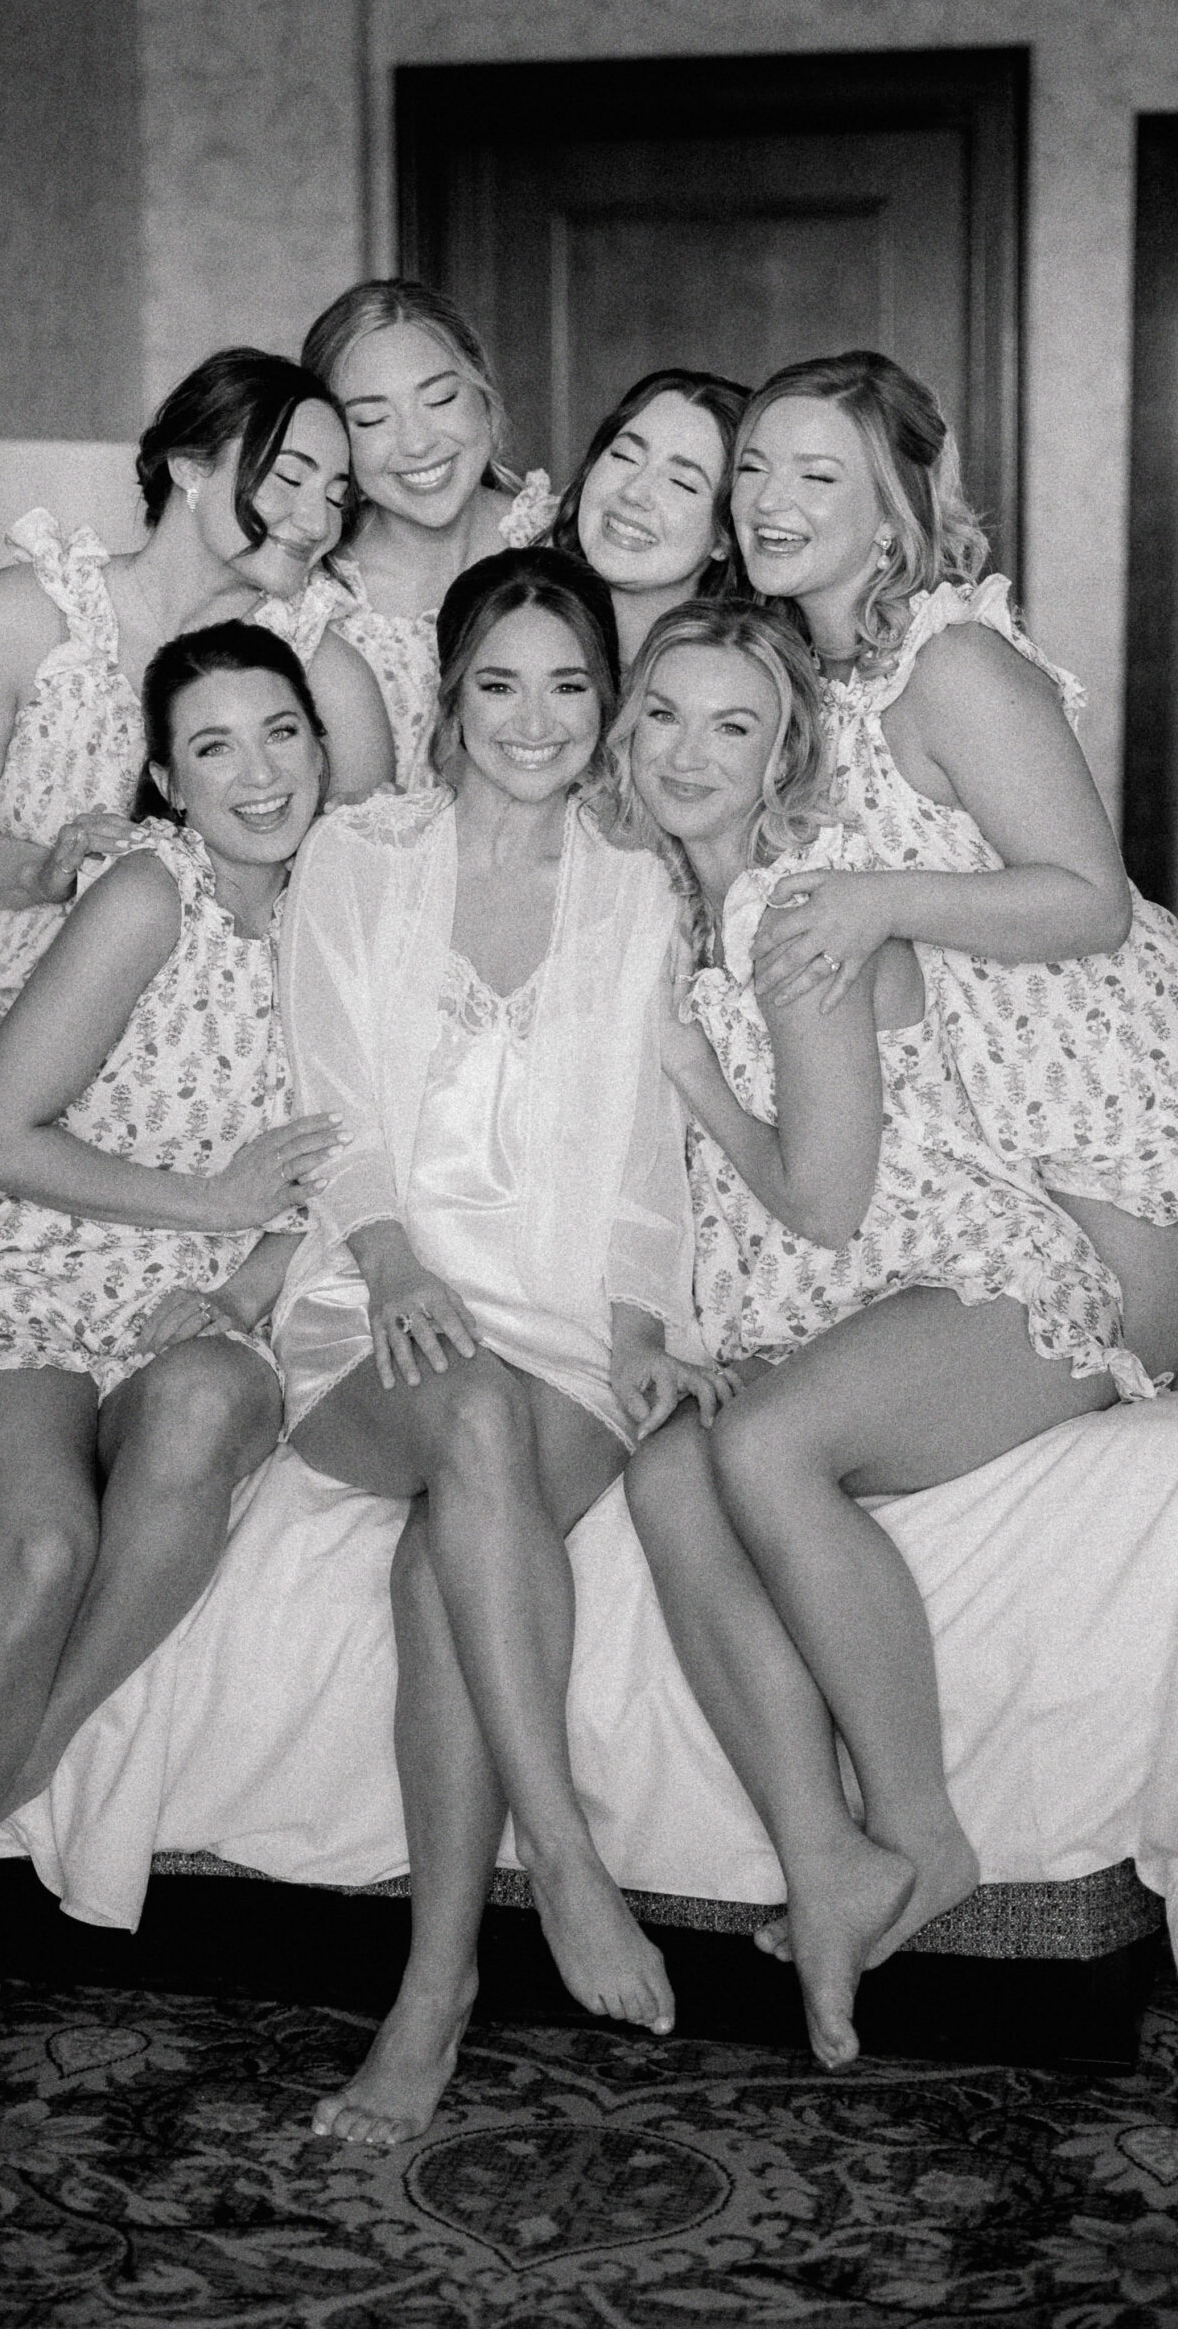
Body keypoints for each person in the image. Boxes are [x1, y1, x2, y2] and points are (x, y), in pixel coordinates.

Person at [613, 603, 1178, 2069]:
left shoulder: (792, 922)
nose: (689, 753)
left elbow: (821, 1201)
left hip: (980, 1279)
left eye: (733, 726)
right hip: (834, 1297)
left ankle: (921, 1830)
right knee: (665, 1476)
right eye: (663, 717)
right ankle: (824, 1852)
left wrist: (692, 1080)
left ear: (782, 760)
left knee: (764, 1451)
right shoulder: (659, 906)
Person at [0, 623, 343, 2147]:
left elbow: (365, 1165)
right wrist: (212, 1204)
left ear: (322, 742)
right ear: (167, 782)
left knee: (204, 1405)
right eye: (212, 747)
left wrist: (243, 1278)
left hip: (204, 1294)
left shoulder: (360, 909)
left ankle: (27, 1749)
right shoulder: (146, 892)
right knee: (42, 1545)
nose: (256, 774)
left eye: (280, 731)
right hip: (40, 1260)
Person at [276, 546, 727, 2146]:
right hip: (366, 1295)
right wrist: (393, 1262)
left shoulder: (636, 886)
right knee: (464, 1413)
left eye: (567, 686)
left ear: (603, 704)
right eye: (497, 684)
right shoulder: (357, 856)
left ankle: (434, 1992)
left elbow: (648, 1157)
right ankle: (570, 1862)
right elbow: (325, 1101)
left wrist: (637, 1328)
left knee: (438, 1569)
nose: (533, 720)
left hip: (562, 1327)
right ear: (448, 700)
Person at [729, 350, 1178, 1385]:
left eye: (817, 475)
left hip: (1088, 1077)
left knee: (1119, 1377)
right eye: (751, 468)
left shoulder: (953, 663)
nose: (769, 501)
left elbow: (1091, 903)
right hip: (948, 1091)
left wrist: (882, 902)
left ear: (892, 513)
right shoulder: (785, 671)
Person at [0, 349, 388, 1260]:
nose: (318, 519)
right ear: (188, 466)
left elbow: (367, 883)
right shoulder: (23, 614)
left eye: (338, 494)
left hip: (211, 1051)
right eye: (289, 478)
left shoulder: (323, 667)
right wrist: (41, 871)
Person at [296, 278, 556, 785]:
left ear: (483, 394)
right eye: (371, 420)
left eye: (440, 399)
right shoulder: (313, 597)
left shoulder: (569, 541)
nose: (416, 443)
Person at [550, 368, 749, 669]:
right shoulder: (514, 630)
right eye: (624, 456)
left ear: (726, 538)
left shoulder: (736, 678)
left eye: (681, 483)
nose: (633, 492)